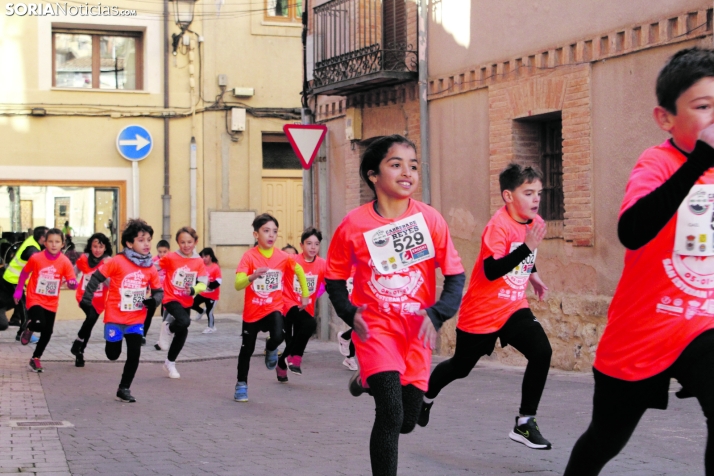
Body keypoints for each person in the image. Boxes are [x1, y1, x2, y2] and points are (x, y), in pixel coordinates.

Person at [564, 47, 714, 475]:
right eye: (703, 107)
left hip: (702, 324)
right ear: (665, 118)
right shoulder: (658, 162)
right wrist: (700, 160)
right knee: (605, 439)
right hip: (643, 332)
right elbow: (633, 231)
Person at [324, 135, 465, 476]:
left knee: (408, 422)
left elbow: (456, 276)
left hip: (416, 332)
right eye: (396, 164)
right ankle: (372, 375)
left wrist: (437, 313)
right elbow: (334, 278)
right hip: (376, 330)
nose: (408, 172)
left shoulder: (430, 220)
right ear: (373, 175)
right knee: (390, 415)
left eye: (413, 165)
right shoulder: (354, 225)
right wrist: (348, 312)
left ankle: (364, 381)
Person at [417, 163, 553, 450]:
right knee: (461, 367)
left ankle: (525, 422)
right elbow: (492, 270)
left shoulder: (533, 222)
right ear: (508, 196)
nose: (536, 199)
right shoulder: (498, 226)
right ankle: (425, 397)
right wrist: (527, 248)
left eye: (538, 193)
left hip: (514, 307)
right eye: (528, 193)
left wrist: (535, 276)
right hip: (481, 312)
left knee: (542, 351)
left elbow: (525, 255)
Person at [81, 219, 162, 402]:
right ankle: (112, 344)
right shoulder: (117, 261)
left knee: (134, 354)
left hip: (136, 318)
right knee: (112, 355)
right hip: (115, 318)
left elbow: (158, 291)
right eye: (141, 240)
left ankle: (124, 388)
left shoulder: (150, 266)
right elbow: (96, 278)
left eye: (149, 239)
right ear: (129, 243)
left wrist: (153, 302)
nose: (147, 243)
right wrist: (87, 299)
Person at [233, 213, 309, 401]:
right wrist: (252, 276)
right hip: (252, 312)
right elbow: (237, 284)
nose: (271, 235)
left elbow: (299, 270)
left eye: (274, 231)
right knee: (247, 350)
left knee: (278, 335)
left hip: (273, 307)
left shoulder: (283, 257)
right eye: (266, 231)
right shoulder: (249, 257)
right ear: (255, 234)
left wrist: (305, 295)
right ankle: (241, 384)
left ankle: (271, 346)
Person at [15, 228, 77, 372]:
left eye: (57, 242)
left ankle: (35, 358)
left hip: (51, 301)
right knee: (39, 323)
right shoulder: (36, 258)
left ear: (62, 244)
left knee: (47, 332)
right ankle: (30, 327)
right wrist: (18, 291)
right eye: (50, 241)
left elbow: (71, 280)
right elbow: (24, 273)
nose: (54, 245)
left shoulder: (64, 261)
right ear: (45, 243)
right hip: (35, 297)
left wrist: (73, 283)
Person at [155, 227, 208, 379]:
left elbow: (204, 282)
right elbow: (154, 267)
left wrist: (193, 290)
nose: (186, 245)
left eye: (189, 242)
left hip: (187, 300)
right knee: (184, 321)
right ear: (178, 242)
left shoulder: (198, 261)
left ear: (195, 242)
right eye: (182, 242)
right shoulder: (171, 257)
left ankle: (170, 363)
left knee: (183, 330)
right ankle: (168, 327)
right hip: (171, 298)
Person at [277, 227, 327, 380]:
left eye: (316, 244)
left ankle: (282, 364)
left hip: (307, 307)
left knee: (295, 339)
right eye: (309, 243)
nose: (313, 247)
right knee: (309, 326)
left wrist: (314, 296)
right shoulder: (291, 261)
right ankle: (296, 358)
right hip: (288, 304)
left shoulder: (322, 264)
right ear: (301, 245)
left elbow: (325, 285)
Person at [70, 233, 112, 367]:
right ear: (90, 246)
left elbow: (111, 283)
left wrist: (102, 274)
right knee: (91, 317)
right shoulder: (84, 259)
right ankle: (78, 343)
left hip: (99, 299)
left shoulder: (108, 262)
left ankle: (79, 351)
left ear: (105, 248)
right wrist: (71, 280)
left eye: (100, 246)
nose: (97, 249)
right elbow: (73, 272)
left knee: (90, 323)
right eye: (95, 246)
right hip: (84, 296)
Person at [0, 226, 48, 336]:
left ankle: (15, 320)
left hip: (15, 279)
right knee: (24, 307)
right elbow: (32, 256)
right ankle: (23, 333)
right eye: (48, 237)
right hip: (13, 279)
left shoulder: (33, 241)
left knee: (20, 303)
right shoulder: (32, 248)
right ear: (42, 238)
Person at [191, 247, 222, 334]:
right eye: (202, 257)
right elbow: (197, 279)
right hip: (202, 293)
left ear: (211, 256)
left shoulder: (215, 267)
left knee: (209, 311)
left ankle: (211, 327)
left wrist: (209, 284)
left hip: (212, 295)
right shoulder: (201, 267)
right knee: (192, 303)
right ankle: (201, 311)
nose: (204, 258)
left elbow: (219, 281)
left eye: (206, 256)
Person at [145, 240, 169, 345]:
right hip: (155, 292)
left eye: (165, 251)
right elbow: (147, 274)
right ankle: (142, 335)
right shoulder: (153, 261)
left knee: (165, 317)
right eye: (160, 251)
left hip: (168, 293)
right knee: (148, 314)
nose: (162, 254)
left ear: (168, 250)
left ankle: (162, 340)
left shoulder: (171, 260)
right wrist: (146, 285)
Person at [337, 268, 358, 371]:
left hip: (362, 301)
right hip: (347, 304)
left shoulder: (364, 264)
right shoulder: (340, 268)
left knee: (360, 328)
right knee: (359, 326)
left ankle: (349, 357)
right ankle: (349, 356)